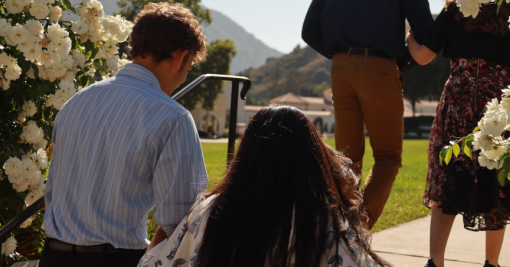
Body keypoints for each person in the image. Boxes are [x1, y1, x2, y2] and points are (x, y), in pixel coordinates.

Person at [40, 3, 209, 267]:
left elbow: (53, 193)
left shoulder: (75, 102)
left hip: (53, 257)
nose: (184, 78)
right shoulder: (173, 118)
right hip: (116, 260)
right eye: (188, 68)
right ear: (179, 57)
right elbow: (181, 221)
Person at [406, 0, 510, 267]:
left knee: (448, 180)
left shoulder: (456, 10)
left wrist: (410, 36)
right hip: (500, 105)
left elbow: (423, 56)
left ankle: (435, 262)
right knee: (498, 185)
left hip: (459, 100)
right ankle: (491, 264)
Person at [138, 106, 392, 267]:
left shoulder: (209, 210)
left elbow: (153, 263)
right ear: (311, 159)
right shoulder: (320, 222)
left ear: (246, 154)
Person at [301, 0, 433, 229]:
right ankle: (356, 230)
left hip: (340, 70)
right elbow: (428, 32)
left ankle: (338, 226)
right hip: (379, 69)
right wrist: (402, 61)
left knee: (346, 159)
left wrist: (341, 56)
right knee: (387, 158)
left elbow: (309, 31)